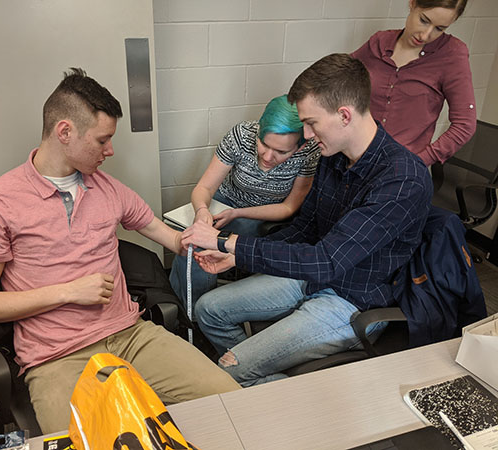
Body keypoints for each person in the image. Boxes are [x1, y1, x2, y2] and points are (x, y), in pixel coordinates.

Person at [0, 68, 240, 433]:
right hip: (57, 358)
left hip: (132, 336)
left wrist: (196, 244)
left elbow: (169, 237)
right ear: (65, 132)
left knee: (232, 402)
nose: (110, 151)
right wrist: (67, 292)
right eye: (103, 140)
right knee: (87, 442)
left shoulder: (108, 188)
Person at [180, 54, 433, 387]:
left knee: (231, 368)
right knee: (209, 310)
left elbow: (326, 260)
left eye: (312, 123)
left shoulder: (401, 180)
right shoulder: (334, 156)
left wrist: (228, 242)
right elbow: (304, 229)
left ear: (344, 115)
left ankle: (259, 383)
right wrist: (235, 256)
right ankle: (266, 381)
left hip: (351, 301)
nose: (308, 135)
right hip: (311, 275)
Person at [169, 94, 320, 307]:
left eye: (281, 152)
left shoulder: (311, 152)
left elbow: (289, 207)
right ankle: (181, 308)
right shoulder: (242, 135)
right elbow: (204, 187)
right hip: (225, 202)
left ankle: (200, 314)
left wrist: (237, 213)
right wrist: (202, 210)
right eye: (264, 144)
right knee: (190, 242)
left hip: (267, 215)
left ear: (300, 147)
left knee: (207, 248)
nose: (268, 157)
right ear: (258, 131)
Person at [352, 0, 475, 166]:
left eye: (439, 28)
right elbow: (337, 77)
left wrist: (417, 162)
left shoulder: (452, 54)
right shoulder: (380, 42)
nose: (425, 35)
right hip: (354, 160)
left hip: (400, 170)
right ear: (413, 3)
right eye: (424, 20)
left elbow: (464, 125)